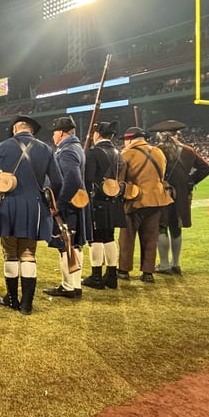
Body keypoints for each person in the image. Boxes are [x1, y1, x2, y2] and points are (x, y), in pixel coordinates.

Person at [0, 115, 63, 315]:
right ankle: (27, 304)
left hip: (7, 206)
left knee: (10, 253)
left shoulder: (3, 146)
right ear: (31, 130)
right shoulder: (46, 149)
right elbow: (58, 181)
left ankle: (12, 299)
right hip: (35, 208)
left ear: (15, 129)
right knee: (28, 254)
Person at [150, 120, 209, 275]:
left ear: (160, 135)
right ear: (177, 134)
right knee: (176, 227)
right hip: (182, 195)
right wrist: (190, 181)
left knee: (161, 227)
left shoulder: (155, 150)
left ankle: (164, 265)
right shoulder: (188, 151)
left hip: (162, 192)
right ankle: (175, 264)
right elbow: (205, 168)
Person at [117, 126, 173, 283]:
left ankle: (124, 270)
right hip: (156, 199)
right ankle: (148, 272)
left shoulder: (126, 154)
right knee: (150, 238)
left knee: (127, 237)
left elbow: (120, 181)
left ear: (129, 139)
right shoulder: (158, 152)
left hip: (135, 200)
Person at [43, 115, 89, 299]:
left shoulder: (67, 151)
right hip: (75, 204)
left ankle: (68, 286)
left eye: (54, 132)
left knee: (65, 245)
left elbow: (72, 180)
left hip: (67, 207)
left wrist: (59, 205)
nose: (53, 136)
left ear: (61, 133)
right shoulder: (75, 147)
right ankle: (75, 285)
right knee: (75, 245)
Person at [82, 121, 126, 290]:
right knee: (109, 237)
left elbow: (88, 179)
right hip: (113, 200)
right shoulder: (118, 153)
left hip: (97, 201)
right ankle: (112, 275)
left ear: (98, 134)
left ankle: (96, 276)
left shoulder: (93, 153)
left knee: (96, 238)